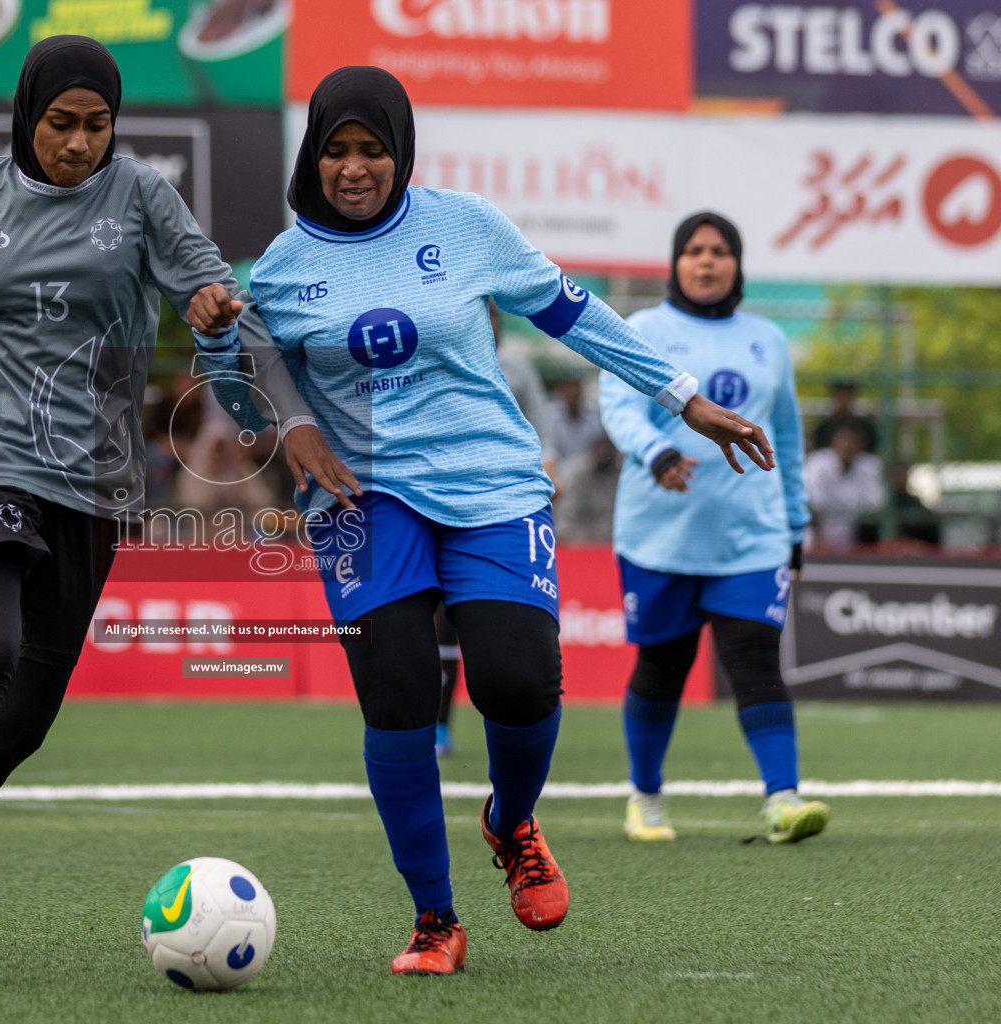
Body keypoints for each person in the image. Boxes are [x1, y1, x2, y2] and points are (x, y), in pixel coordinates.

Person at [201, 68, 775, 975]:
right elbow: (245, 398)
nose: (355, 169)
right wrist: (229, 360)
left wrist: (683, 397)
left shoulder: (466, 226)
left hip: (491, 483)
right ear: (312, 154)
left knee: (517, 681)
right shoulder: (279, 268)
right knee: (395, 694)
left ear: (400, 152)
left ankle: (512, 823)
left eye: (372, 150)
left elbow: (574, 315)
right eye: (337, 150)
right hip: (363, 497)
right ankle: (435, 919)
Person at [0, 35, 329, 957]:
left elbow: (212, 288)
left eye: (97, 125)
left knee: (31, 715)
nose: (79, 144)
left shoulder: (144, 197)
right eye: (60, 124)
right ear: (26, 116)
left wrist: (209, 307)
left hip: (96, 482)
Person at [600, 211, 828, 846]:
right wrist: (659, 453)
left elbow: (785, 437)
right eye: (694, 250)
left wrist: (795, 522)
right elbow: (617, 407)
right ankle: (645, 796)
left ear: (738, 264)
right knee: (662, 668)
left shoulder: (769, 340)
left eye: (720, 251)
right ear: (676, 263)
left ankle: (784, 798)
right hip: (659, 537)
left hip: (751, 538)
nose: (706, 261)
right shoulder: (642, 329)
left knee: (756, 660)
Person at [435, 301, 559, 758]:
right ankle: (438, 725)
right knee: (439, 626)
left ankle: (511, 731)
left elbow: (544, 430)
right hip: (441, 508)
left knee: (503, 635)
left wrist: (550, 471)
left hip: (507, 511)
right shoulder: (432, 360)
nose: (482, 322)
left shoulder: (518, 370)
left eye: (490, 314)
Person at [804, 427, 885, 546]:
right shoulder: (817, 463)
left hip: (856, 529)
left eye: (853, 443)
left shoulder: (870, 465)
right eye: (843, 442)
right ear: (834, 444)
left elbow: (876, 503)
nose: (848, 447)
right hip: (820, 528)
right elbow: (816, 502)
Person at [548, 376, 607, 464]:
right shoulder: (549, 415)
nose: (573, 391)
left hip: (588, 470)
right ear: (561, 390)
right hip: (557, 469)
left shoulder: (594, 415)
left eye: (575, 386)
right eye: (568, 387)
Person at [811, 379, 877, 452]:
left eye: (847, 395)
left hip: (858, 461)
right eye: (841, 394)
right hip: (829, 461)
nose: (844, 398)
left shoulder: (865, 425)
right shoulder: (824, 425)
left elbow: (873, 450)